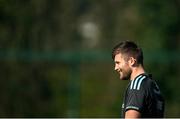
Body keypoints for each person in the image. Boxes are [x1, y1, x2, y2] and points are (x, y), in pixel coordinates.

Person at [112, 41, 165, 118]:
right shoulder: (152, 85)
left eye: (118, 63)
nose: (115, 68)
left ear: (131, 61)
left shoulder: (137, 85)